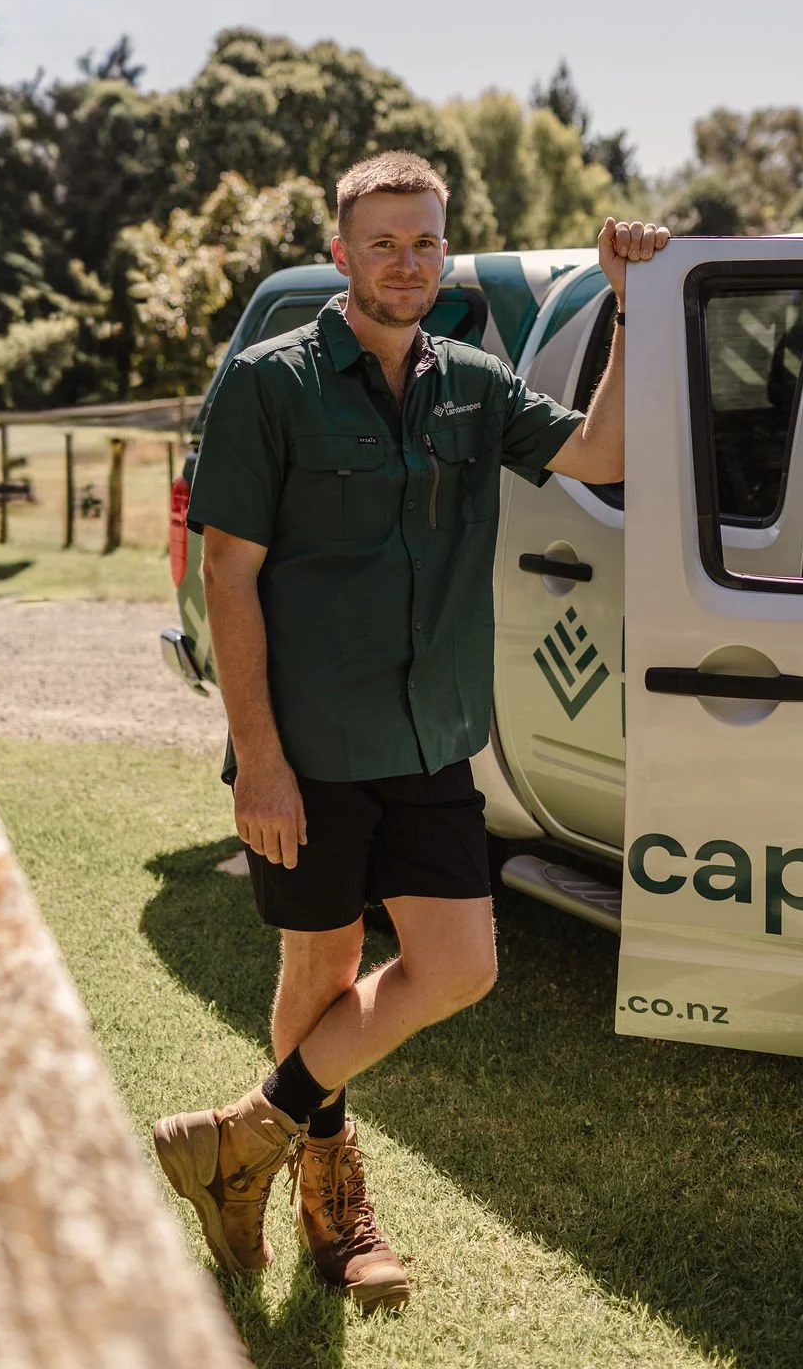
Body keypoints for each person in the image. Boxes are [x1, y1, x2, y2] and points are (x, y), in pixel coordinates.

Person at [154, 151, 668, 1313]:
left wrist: (630, 306)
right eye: (382, 242)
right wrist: (262, 762)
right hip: (309, 749)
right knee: (321, 967)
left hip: (434, 738)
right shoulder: (272, 384)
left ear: (445, 252)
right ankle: (329, 1208)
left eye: (425, 242)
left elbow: (601, 456)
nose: (406, 262)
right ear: (341, 253)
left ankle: (243, 1135)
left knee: (458, 967)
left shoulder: (475, 383)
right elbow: (228, 574)